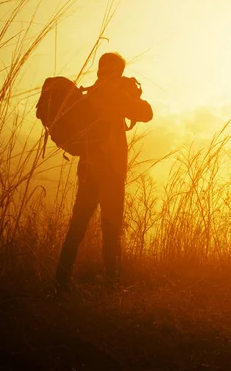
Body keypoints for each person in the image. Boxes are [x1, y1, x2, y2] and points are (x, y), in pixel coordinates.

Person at [55, 52, 153, 289]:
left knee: (77, 226)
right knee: (111, 229)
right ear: (118, 70)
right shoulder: (112, 93)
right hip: (111, 171)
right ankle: (112, 284)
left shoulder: (90, 94)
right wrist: (129, 92)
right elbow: (146, 113)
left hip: (88, 169)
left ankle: (60, 282)